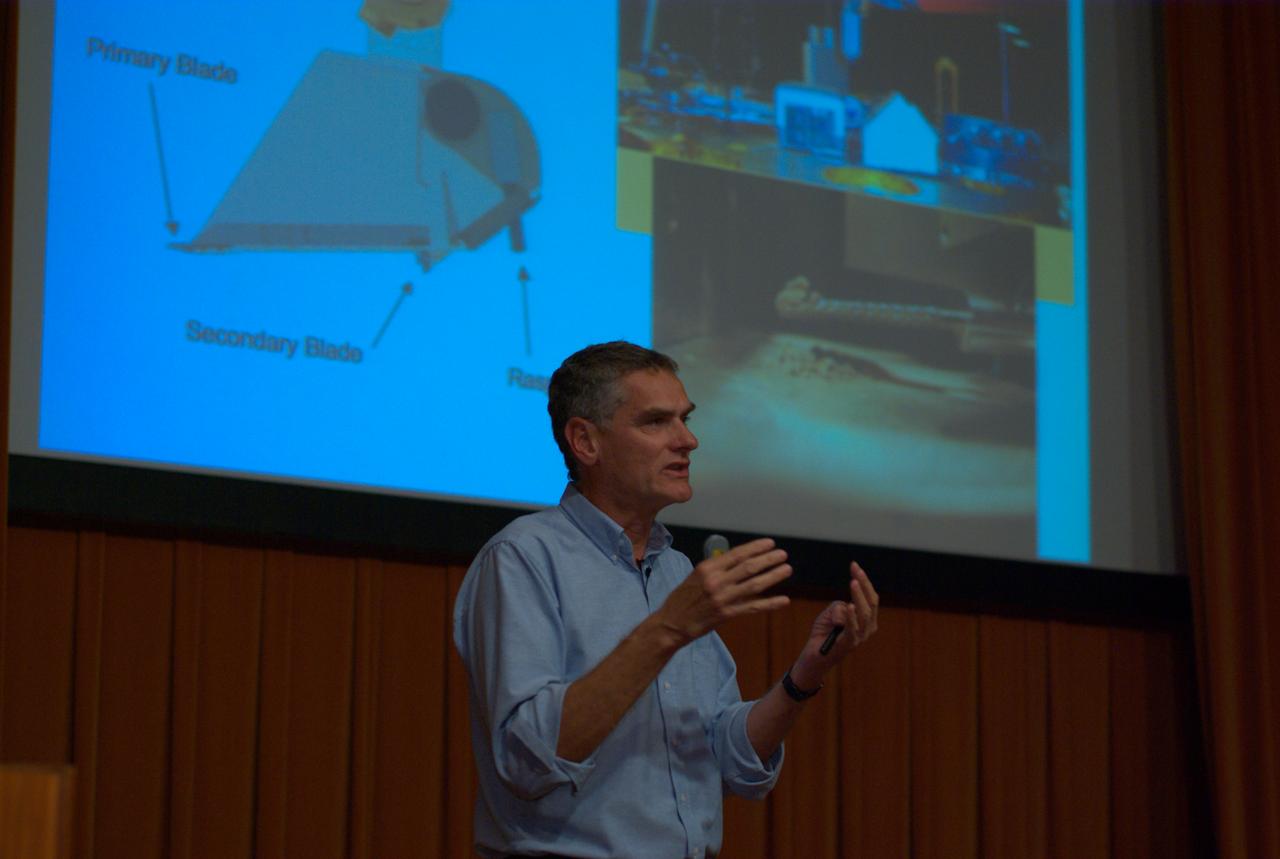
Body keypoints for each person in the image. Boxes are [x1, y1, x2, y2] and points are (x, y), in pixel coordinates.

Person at [453, 341, 879, 859]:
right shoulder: (522, 558)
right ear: (585, 441)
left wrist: (804, 676)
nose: (689, 440)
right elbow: (528, 760)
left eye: (686, 419)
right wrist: (669, 628)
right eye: (657, 422)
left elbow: (730, 760)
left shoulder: (675, 570)